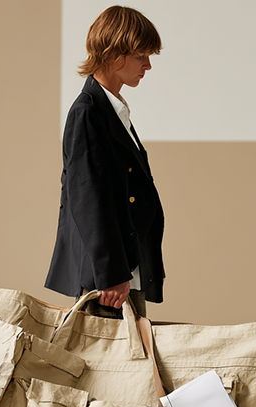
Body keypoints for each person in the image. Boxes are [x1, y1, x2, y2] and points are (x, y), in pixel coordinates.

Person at [45, 6, 164, 319]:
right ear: (115, 53)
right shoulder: (88, 112)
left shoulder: (111, 109)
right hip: (108, 280)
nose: (148, 65)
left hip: (125, 269)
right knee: (111, 365)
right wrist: (110, 273)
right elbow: (88, 199)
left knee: (131, 361)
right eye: (141, 56)